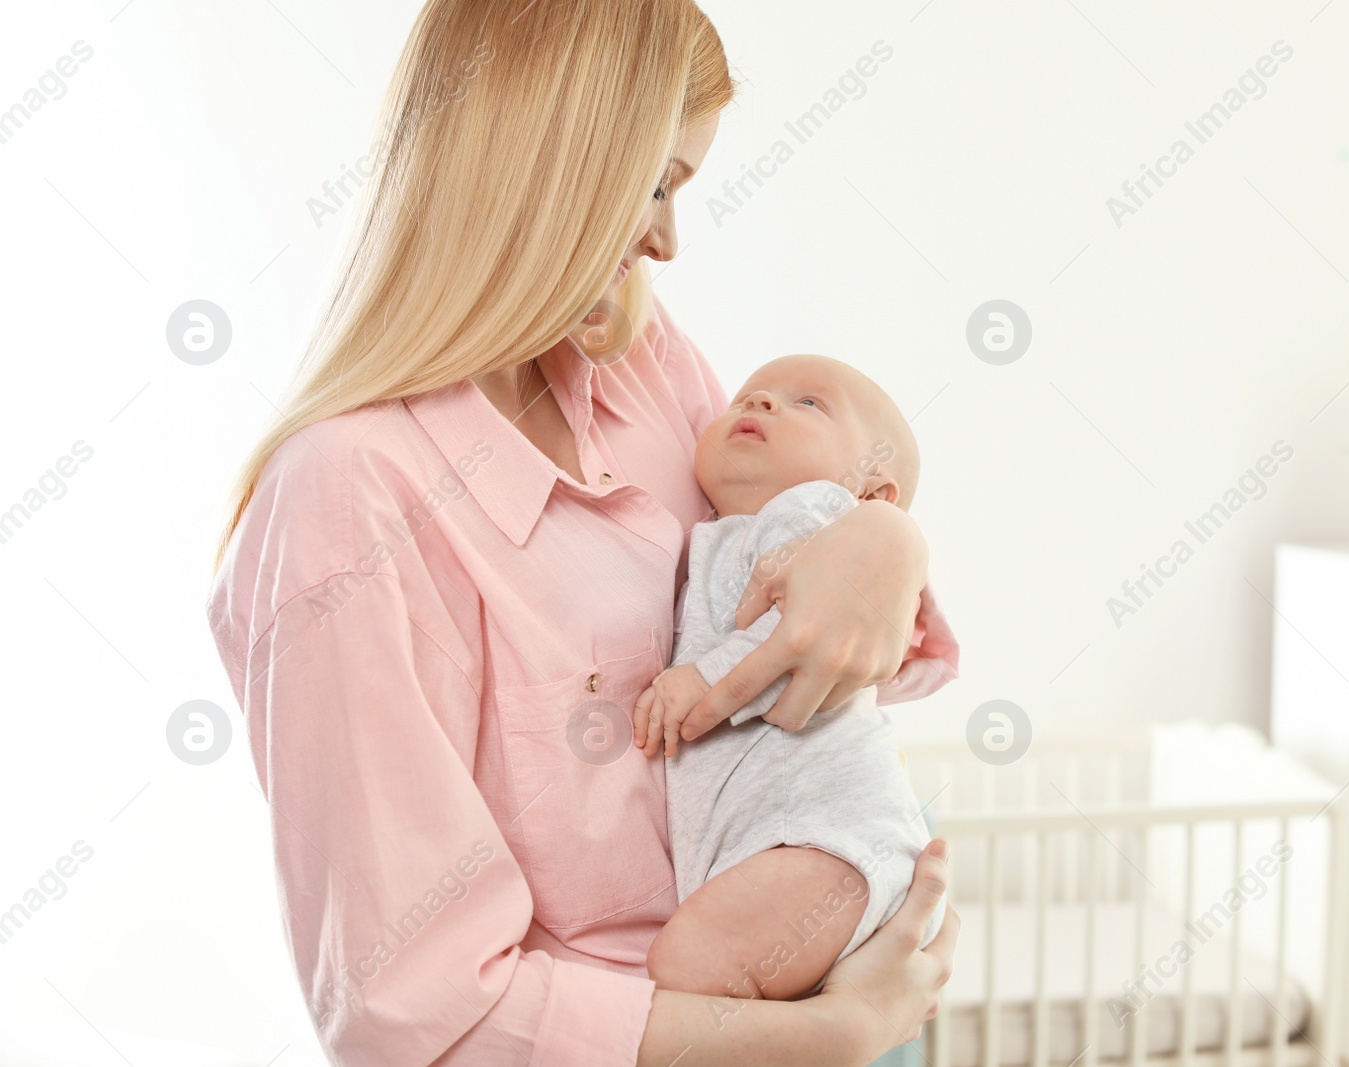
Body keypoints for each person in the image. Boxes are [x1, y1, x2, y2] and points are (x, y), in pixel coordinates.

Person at [206, 2, 959, 1065]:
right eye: (653, 185)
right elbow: (411, 1012)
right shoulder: (348, 505)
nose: (664, 237)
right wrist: (820, 1035)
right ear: (544, 169)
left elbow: (799, 571)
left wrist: (889, 547)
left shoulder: (645, 369)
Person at [634, 355, 947, 1003]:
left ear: (872, 492)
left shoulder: (813, 511)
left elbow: (795, 635)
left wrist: (699, 681)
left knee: (689, 967)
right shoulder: (729, 533)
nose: (761, 404)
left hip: (827, 842)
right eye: (748, 395)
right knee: (706, 978)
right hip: (797, 848)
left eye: (809, 404)